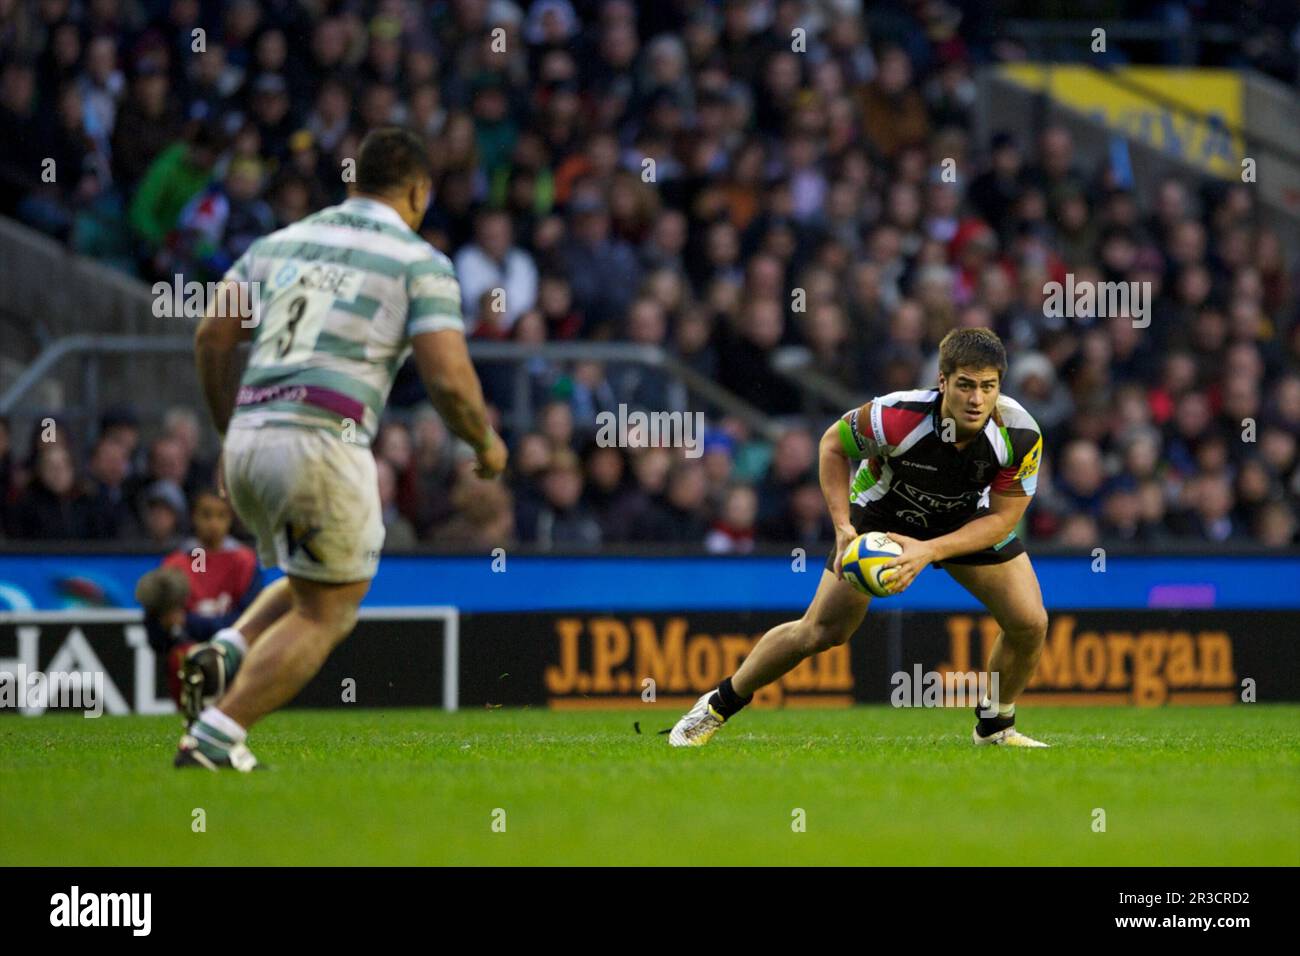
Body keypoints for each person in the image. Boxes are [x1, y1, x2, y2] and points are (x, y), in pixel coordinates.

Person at [182, 127, 507, 770]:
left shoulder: (278, 242)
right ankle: (217, 735)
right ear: (418, 190)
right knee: (329, 613)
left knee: (320, 580)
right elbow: (446, 377)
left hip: (250, 433)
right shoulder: (419, 261)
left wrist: (229, 432)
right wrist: (485, 443)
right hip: (322, 436)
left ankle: (230, 646)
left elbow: (211, 338)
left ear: (352, 180)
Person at [669, 328, 1050, 748]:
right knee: (822, 631)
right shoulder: (896, 416)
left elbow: (1001, 519)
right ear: (942, 382)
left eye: (987, 387)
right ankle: (715, 706)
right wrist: (842, 525)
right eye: (965, 386)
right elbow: (832, 445)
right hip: (882, 516)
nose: (976, 400)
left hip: (965, 519)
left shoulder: (1020, 434)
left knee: (1029, 622)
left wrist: (928, 551)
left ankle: (994, 728)